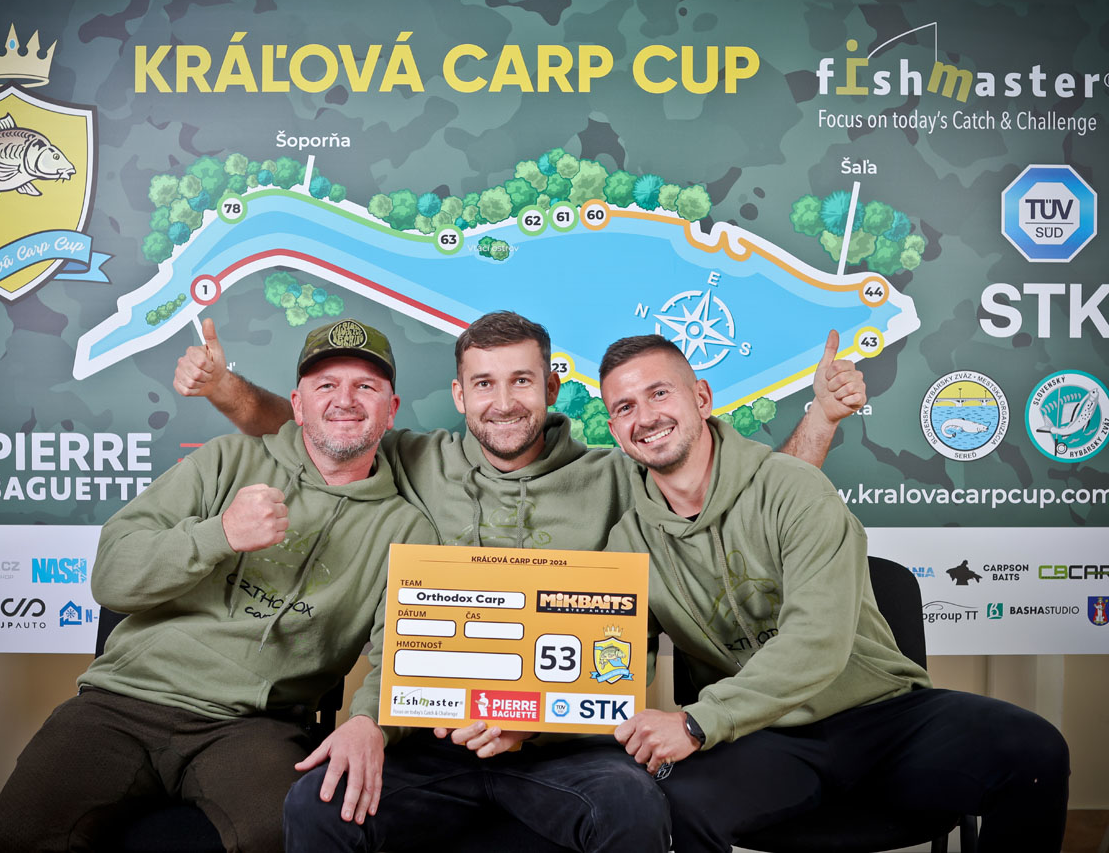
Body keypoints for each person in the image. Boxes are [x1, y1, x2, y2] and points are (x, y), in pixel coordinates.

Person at [174, 311, 867, 852]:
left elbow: (738, 494)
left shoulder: (617, 473)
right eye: (484, 383)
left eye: (522, 382)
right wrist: (223, 387)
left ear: (552, 388)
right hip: (431, 742)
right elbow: (322, 428)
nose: (503, 402)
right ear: (460, 394)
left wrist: (821, 420)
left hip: (561, 746)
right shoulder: (415, 459)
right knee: (317, 804)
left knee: (636, 805)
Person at [597, 334, 1070, 853]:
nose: (645, 417)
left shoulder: (795, 489)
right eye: (625, 407)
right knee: (667, 799)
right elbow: (612, 665)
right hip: (759, 737)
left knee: (1033, 750)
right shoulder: (626, 545)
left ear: (702, 398)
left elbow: (817, 639)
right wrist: (538, 717)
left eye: (659, 393)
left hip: (880, 717)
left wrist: (694, 722)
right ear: (615, 430)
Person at [0, 319, 436, 853]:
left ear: (391, 409)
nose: (345, 399)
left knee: (287, 836)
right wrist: (220, 533)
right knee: (16, 834)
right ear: (297, 404)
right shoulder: (226, 460)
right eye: (326, 385)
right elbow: (111, 576)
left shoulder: (407, 527)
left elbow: (404, 650)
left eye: (365, 386)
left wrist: (369, 721)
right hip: (125, 701)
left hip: (254, 725)